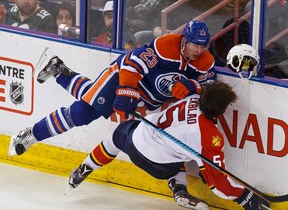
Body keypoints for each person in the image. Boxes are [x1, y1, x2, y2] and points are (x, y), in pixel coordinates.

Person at [8, 20, 215, 159]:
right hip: (122, 76)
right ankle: (32, 134)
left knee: (92, 98)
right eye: (194, 45)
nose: (198, 50)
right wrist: (127, 90)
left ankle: (58, 70)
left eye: (203, 46)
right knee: (84, 113)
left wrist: (193, 85)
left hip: (149, 97)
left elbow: (207, 82)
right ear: (184, 41)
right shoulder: (165, 46)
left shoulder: (206, 60)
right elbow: (133, 65)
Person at [67, 81, 270, 210]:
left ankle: (85, 168)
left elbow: (195, 86)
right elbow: (216, 183)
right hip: (159, 166)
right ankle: (178, 188)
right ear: (222, 110)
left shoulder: (192, 98)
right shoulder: (208, 137)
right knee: (177, 158)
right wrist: (244, 197)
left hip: (136, 140)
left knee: (116, 136)